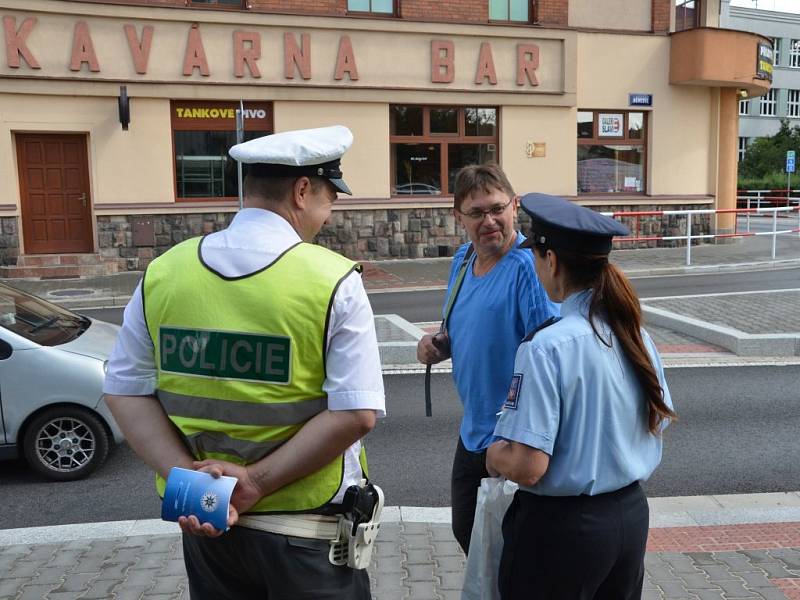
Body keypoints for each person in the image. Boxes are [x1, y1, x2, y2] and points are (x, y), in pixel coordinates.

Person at [103, 125, 385, 600]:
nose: (330, 211)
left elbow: (124, 390)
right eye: (329, 196)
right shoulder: (333, 279)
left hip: (212, 528)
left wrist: (195, 489)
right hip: (306, 536)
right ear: (301, 191)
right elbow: (356, 413)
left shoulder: (164, 272)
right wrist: (253, 483)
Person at [486, 193, 677, 599]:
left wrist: (493, 455)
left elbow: (529, 465)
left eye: (536, 259)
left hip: (561, 531)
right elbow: (657, 421)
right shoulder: (633, 332)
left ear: (551, 260)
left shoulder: (545, 347)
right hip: (628, 518)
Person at [416, 164, 557, 554]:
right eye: (477, 213)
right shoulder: (462, 260)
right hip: (474, 431)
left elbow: (552, 358)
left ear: (515, 206)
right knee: (470, 535)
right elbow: (464, 325)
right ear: (457, 216)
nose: (490, 221)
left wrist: (524, 443)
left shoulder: (530, 268)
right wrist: (437, 344)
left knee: (512, 551)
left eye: (497, 208)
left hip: (516, 437)